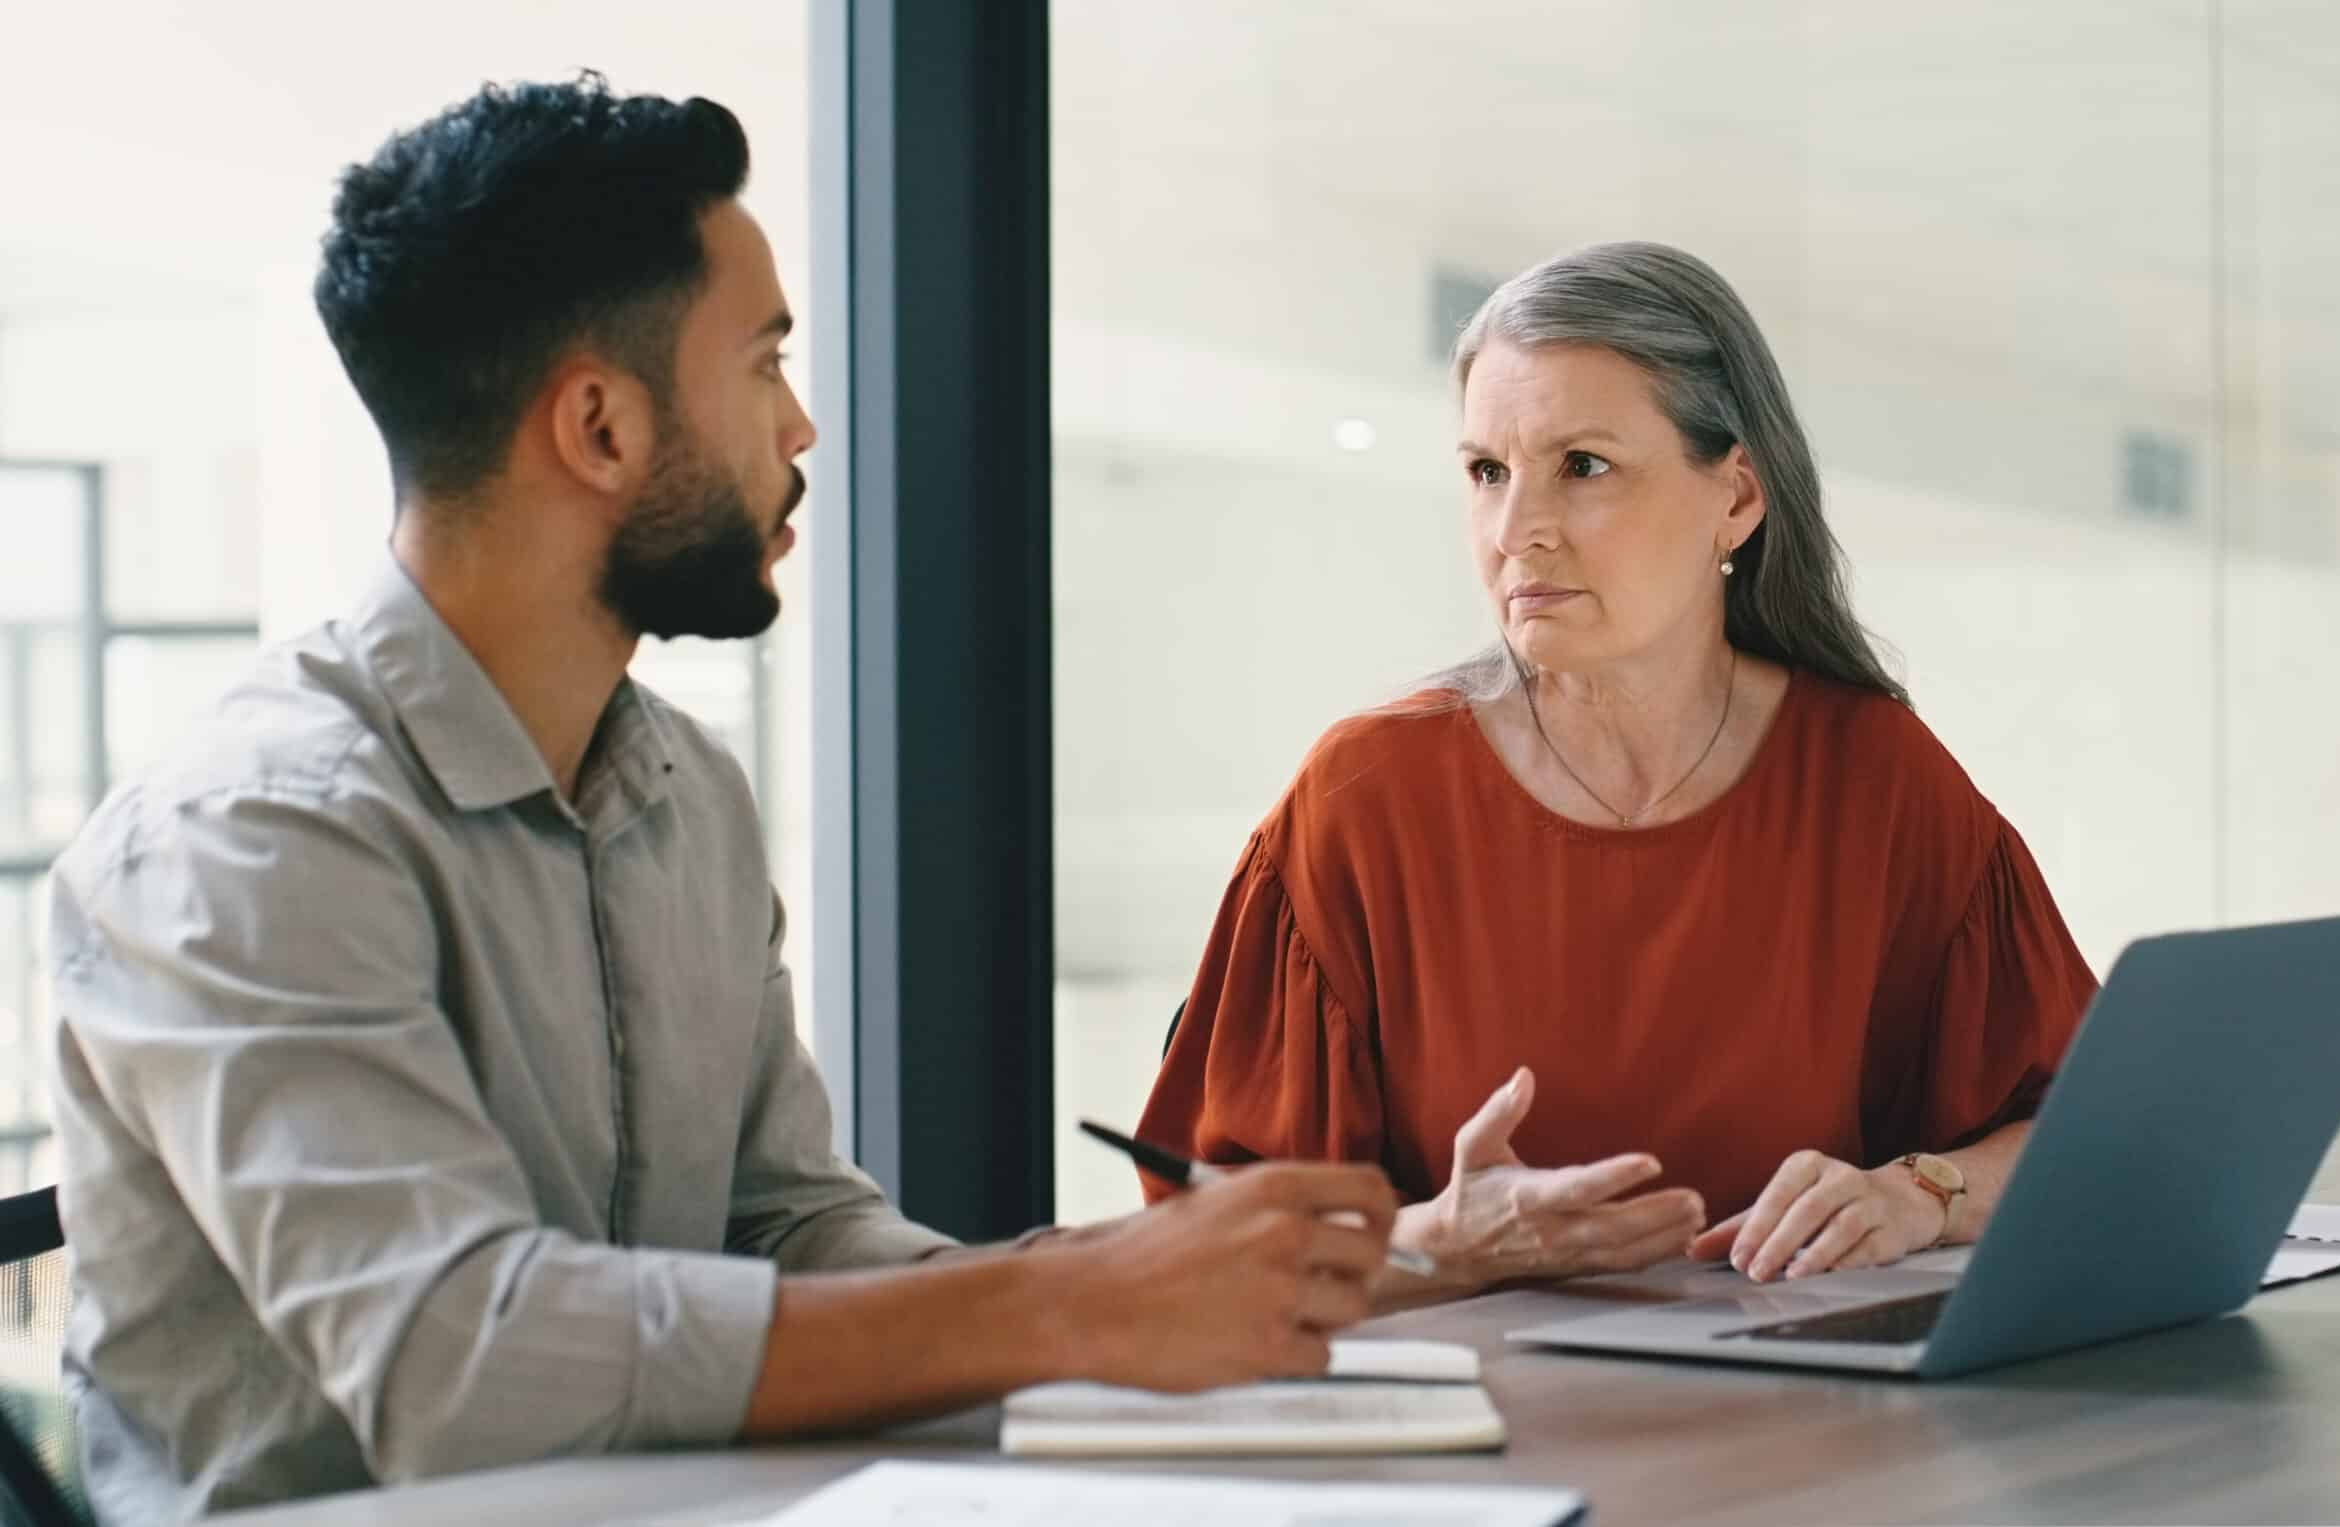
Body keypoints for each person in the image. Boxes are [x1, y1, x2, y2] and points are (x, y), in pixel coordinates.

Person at [46, 76, 1393, 1522]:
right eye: (763, 365)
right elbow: (459, 1363)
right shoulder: (250, 836)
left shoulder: (686, 792)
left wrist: (1183, 1284)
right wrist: (1069, 1311)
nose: (804, 425)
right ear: (601, 429)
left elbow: (787, 1225)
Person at [1138, 240, 2095, 1308]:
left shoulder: (1876, 779)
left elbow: (2085, 1126)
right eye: (1486, 473)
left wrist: (1923, 1192)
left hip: (1813, 1434)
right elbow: (1201, 1254)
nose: (1516, 533)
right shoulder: (1364, 801)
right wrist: (1442, 1244)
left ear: (1734, 497)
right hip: (1484, 1446)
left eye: (1581, 467)